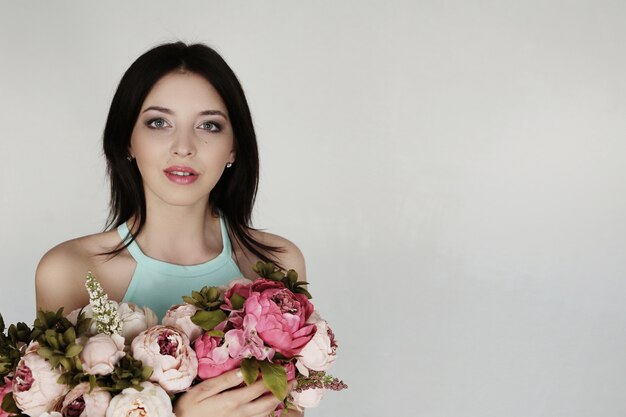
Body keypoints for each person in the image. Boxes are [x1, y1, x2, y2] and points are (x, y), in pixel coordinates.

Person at [35, 42, 306, 417]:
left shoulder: (273, 264)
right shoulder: (69, 270)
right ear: (127, 139)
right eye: (158, 122)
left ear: (234, 148)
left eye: (209, 125)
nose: (184, 147)